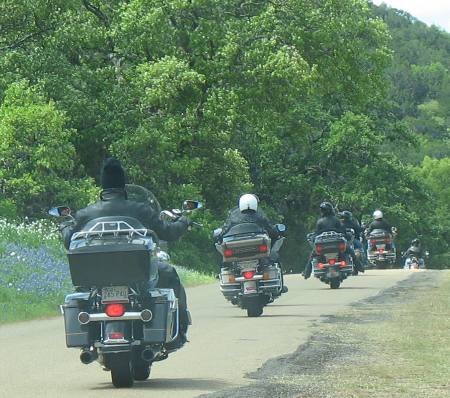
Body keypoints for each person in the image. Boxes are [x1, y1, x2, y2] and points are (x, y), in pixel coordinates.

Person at [62, 157, 191, 347]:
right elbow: (169, 232)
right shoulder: (139, 209)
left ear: (102, 185)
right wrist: (184, 221)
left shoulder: (86, 213)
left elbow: (68, 241)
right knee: (169, 273)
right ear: (123, 184)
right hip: (136, 274)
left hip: (95, 279)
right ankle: (179, 333)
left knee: (81, 292)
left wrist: (65, 226)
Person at [217, 193, 287, 292]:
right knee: (273, 257)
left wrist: (219, 236)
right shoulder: (259, 215)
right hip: (258, 252)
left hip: (236, 253)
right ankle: (279, 285)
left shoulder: (233, 215)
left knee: (224, 262)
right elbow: (271, 230)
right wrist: (276, 233)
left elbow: (224, 230)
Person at [303, 202, 361, 279]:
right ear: (331, 210)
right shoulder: (336, 220)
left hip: (324, 246)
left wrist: (312, 238)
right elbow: (343, 231)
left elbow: (316, 234)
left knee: (312, 255)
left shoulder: (320, 221)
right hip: (336, 245)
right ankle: (359, 266)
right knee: (350, 251)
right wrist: (347, 236)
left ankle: (307, 272)